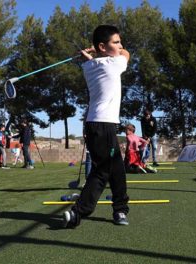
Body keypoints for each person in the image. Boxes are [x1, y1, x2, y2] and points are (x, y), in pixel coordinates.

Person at [63, 25, 131, 228]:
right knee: (103, 171)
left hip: (93, 125)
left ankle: (120, 210)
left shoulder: (88, 66)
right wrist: (96, 51)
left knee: (117, 169)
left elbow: (98, 61)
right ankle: (78, 211)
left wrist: (92, 53)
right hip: (104, 125)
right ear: (102, 46)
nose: (120, 46)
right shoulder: (113, 64)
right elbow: (127, 54)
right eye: (116, 42)